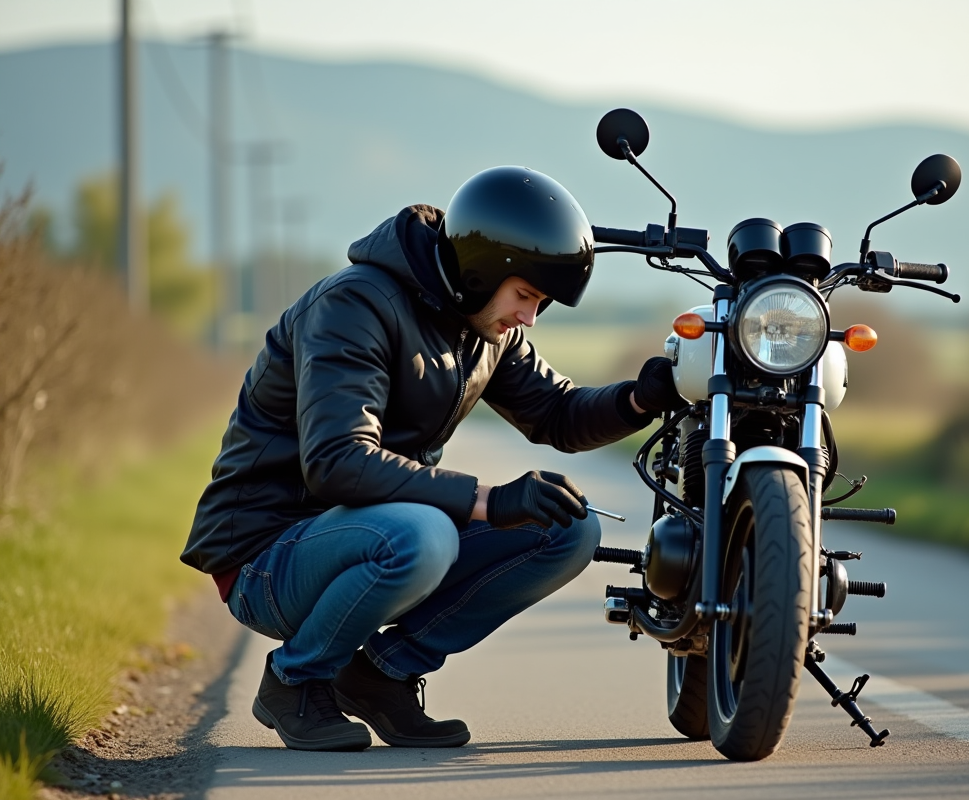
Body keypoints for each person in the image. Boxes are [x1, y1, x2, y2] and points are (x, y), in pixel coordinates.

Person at [179, 166, 686, 752]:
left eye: (541, 304)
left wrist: (638, 398)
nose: (529, 318)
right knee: (425, 534)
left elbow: (558, 414)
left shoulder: (482, 329)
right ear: (479, 271)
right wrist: (487, 501)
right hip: (267, 558)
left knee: (569, 528)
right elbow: (339, 460)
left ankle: (381, 673)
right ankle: (295, 679)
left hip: (369, 533)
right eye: (525, 296)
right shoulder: (354, 305)